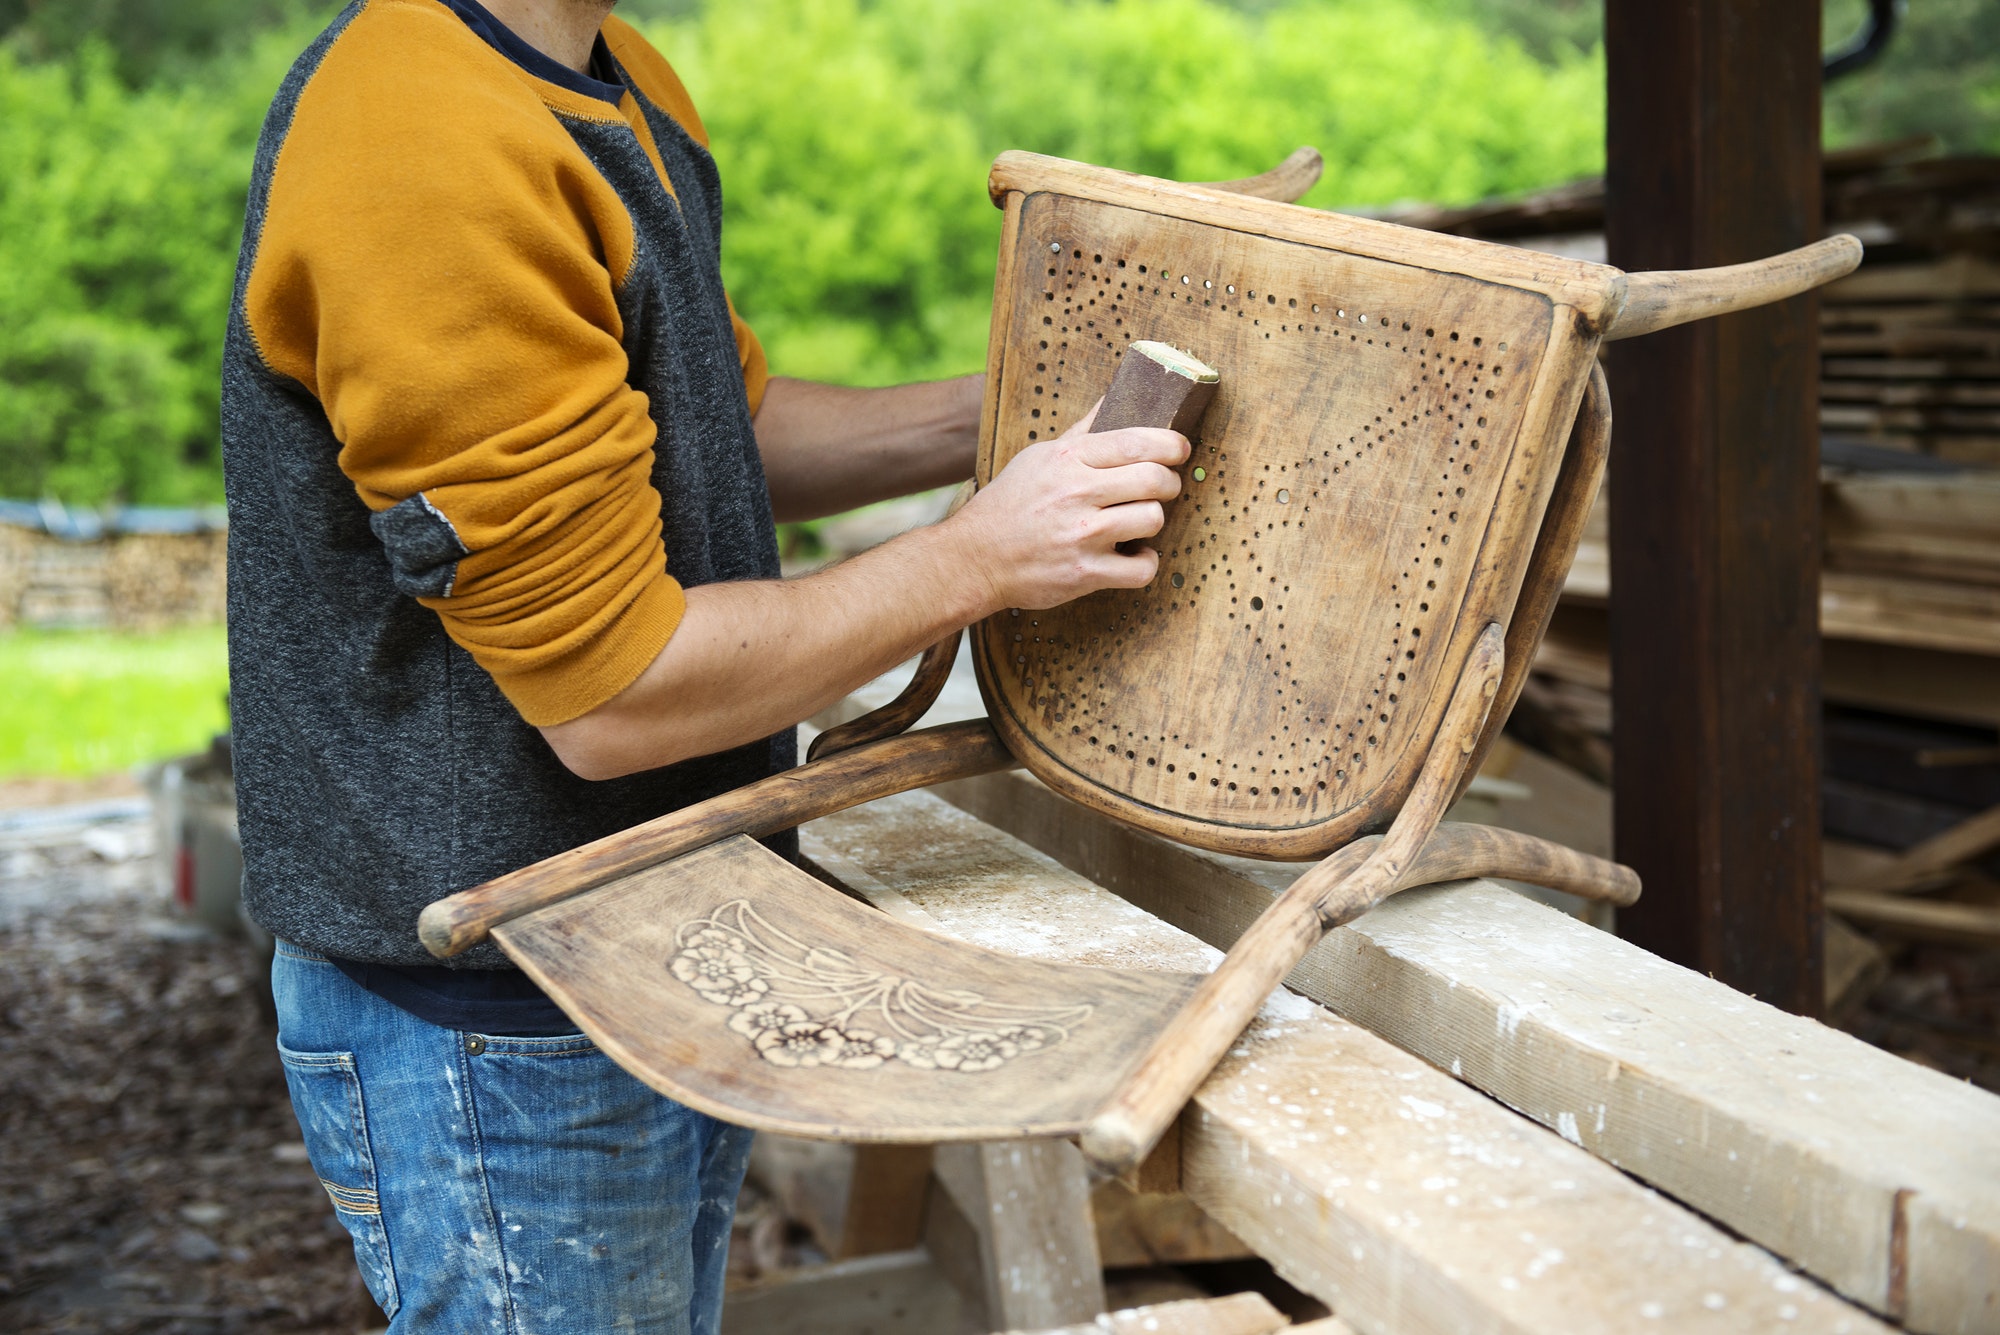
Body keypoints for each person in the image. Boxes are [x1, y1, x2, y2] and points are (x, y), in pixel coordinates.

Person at [219, 0, 1187, 1328]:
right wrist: (982, 556)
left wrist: (1022, 418)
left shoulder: (619, 83)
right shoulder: (424, 140)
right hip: (496, 1019)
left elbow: (721, 430)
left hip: (646, 952)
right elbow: (614, 695)